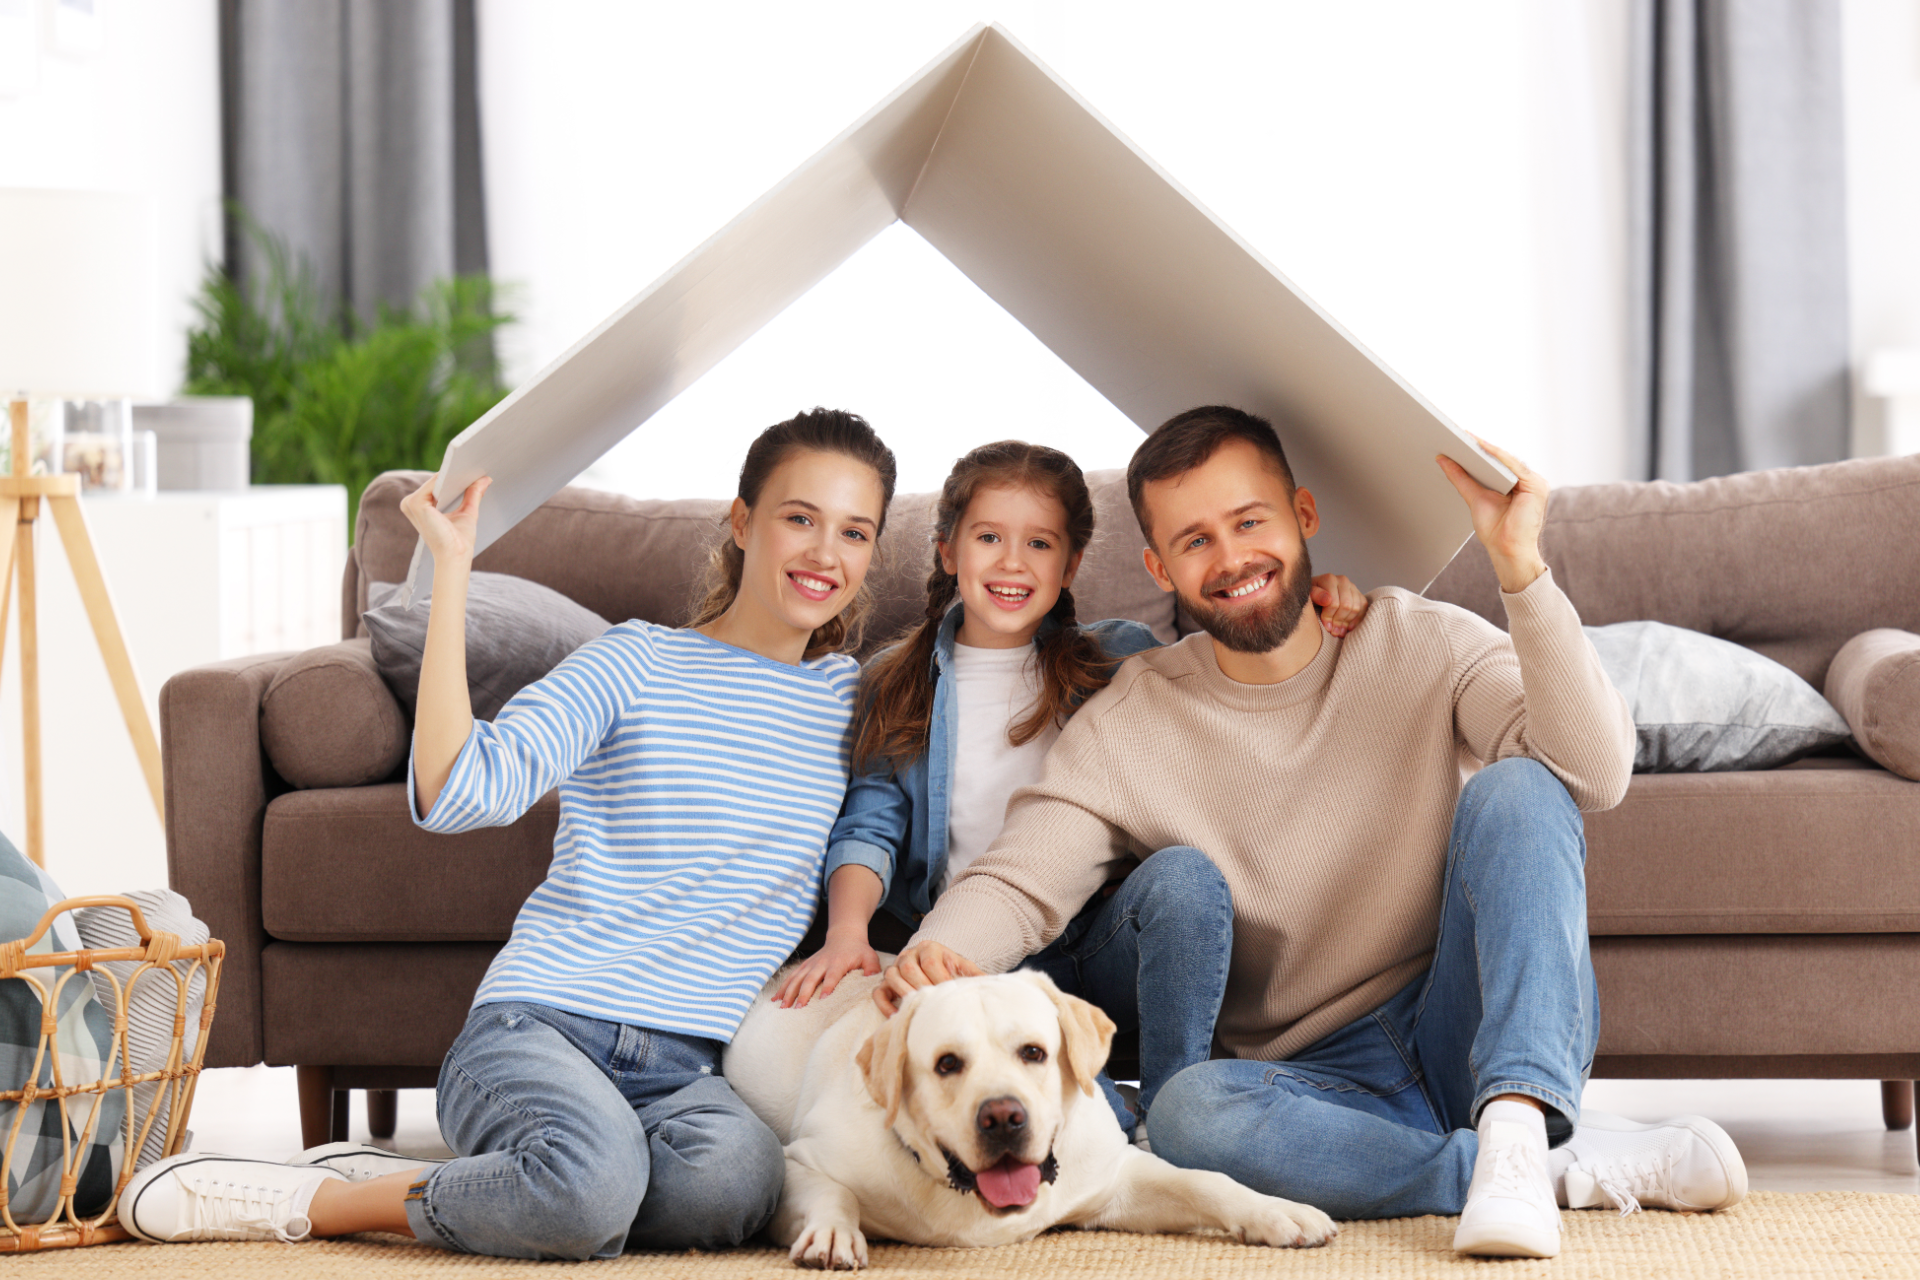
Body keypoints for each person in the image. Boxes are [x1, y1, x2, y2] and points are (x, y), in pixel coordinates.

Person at [879, 406, 1749, 1259]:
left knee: (1522, 787)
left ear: (1303, 517)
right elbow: (1024, 877)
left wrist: (1520, 568)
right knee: (1185, 1113)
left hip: (1458, 1020)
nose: (1230, 559)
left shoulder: (1422, 640)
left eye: (1249, 521)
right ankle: (1536, 1170)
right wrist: (931, 958)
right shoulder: (1131, 716)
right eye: (1195, 541)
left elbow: (1592, 773)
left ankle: (1518, 1125)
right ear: (1160, 565)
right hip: (1307, 1085)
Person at [121, 409, 899, 1259]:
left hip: (689, 1067)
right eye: (800, 517)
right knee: (589, 1192)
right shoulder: (634, 661)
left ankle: (554, 1179)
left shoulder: (851, 701)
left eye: (853, 531)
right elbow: (461, 790)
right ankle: (323, 1197)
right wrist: (451, 573)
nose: (826, 552)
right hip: (542, 1026)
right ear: (744, 521)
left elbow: (878, 819)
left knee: (735, 1189)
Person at [774, 441, 1369, 1139]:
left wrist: (1315, 597)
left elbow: (1237, 650)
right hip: (982, 958)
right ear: (947, 551)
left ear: (1071, 565)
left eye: (1040, 543)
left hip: (1103, 938)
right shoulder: (893, 678)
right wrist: (847, 932)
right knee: (1085, 1127)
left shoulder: (1119, 657)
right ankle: (1116, 1121)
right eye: (989, 538)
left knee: (1182, 876)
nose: (1013, 562)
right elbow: (869, 827)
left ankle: (1182, 1102)